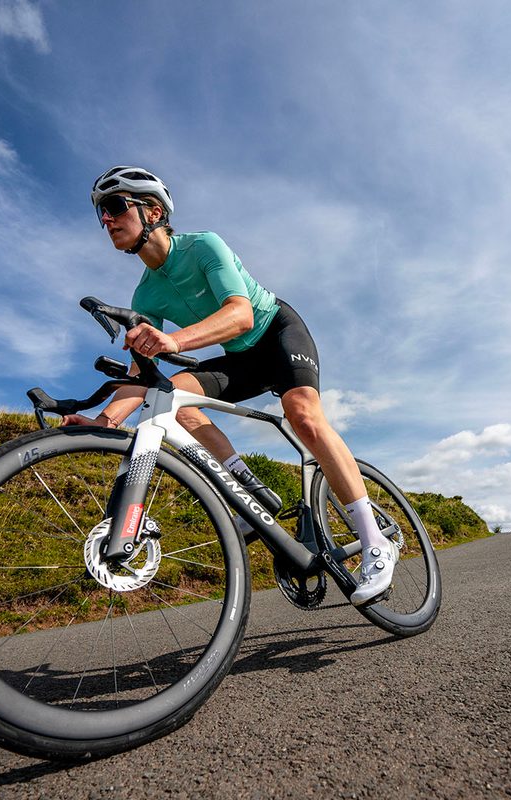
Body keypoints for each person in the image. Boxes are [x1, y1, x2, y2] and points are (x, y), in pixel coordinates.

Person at [62, 166, 395, 606]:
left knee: (302, 414)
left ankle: (376, 543)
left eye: (114, 206)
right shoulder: (146, 295)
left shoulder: (202, 245)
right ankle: (249, 489)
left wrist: (173, 340)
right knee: (169, 396)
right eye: (101, 214)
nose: (106, 220)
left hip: (276, 333)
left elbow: (241, 316)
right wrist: (103, 422)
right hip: (240, 360)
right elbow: (142, 375)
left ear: (154, 210)